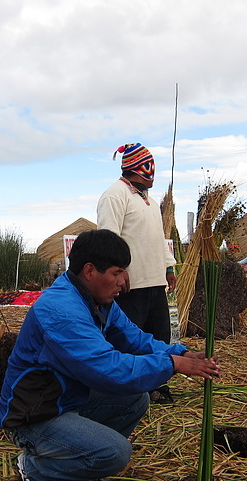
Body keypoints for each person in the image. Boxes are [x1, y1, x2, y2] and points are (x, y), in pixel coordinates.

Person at [0, 229, 221, 481]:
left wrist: (179, 352)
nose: (124, 281)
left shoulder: (98, 301)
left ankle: (82, 458)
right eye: (116, 272)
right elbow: (109, 369)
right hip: (34, 416)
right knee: (116, 453)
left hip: (66, 400)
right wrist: (172, 364)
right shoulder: (61, 311)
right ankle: (34, 468)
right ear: (90, 271)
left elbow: (133, 339)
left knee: (136, 399)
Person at [96, 143, 177, 403]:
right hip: (129, 286)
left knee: (159, 336)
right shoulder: (114, 195)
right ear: (135, 168)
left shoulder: (150, 202)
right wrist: (118, 271)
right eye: (148, 167)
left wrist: (168, 267)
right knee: (130, 340)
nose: (152, 174)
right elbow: (108, 237)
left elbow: (159, 238)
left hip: (154, 282)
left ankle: (158, 387)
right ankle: (130, 393)